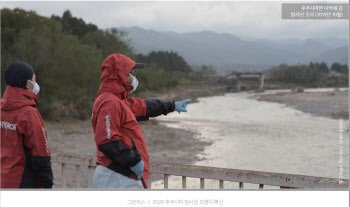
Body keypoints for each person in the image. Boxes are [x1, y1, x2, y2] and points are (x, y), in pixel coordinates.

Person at [91, 53, 191, 189]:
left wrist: (171, 106)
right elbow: (107, 142)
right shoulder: (110, 102)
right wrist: (133, 161)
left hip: (123, 174)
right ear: (120, 74)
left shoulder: (119, 101)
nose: (134, 77)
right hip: (116, 175)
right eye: (132, 73)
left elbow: (145, 106)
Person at [1, 61, 53, 188]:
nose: (36, 83)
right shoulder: (29, 113)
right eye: (34, 79)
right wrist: (47, 183)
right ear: (27, 84)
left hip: (4, 180)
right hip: (23, 182)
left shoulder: (2, 108)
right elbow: (41, 154)